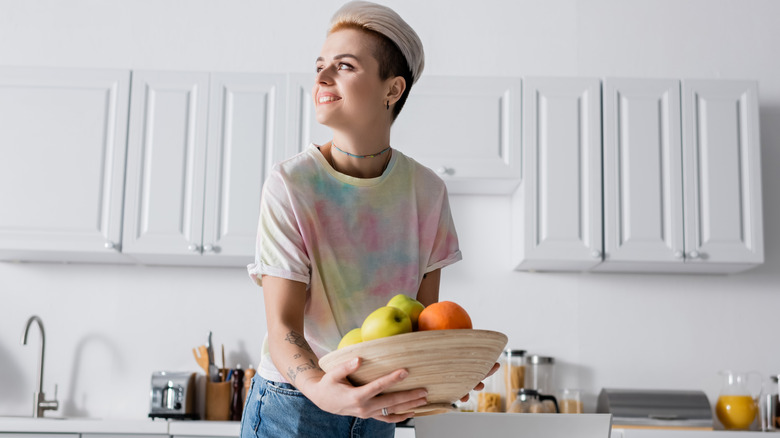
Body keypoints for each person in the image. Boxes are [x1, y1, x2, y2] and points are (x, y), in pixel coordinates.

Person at [241, 2, 496, 437]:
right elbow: (283, 326)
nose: (321, 78)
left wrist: (446, 369)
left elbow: (421, 323)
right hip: (295, 406)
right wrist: (324, 390)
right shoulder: (291, 184)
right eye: (320, 66)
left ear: (392, 89)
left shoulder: (427, 193)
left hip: (377, 409)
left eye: (344, 66)